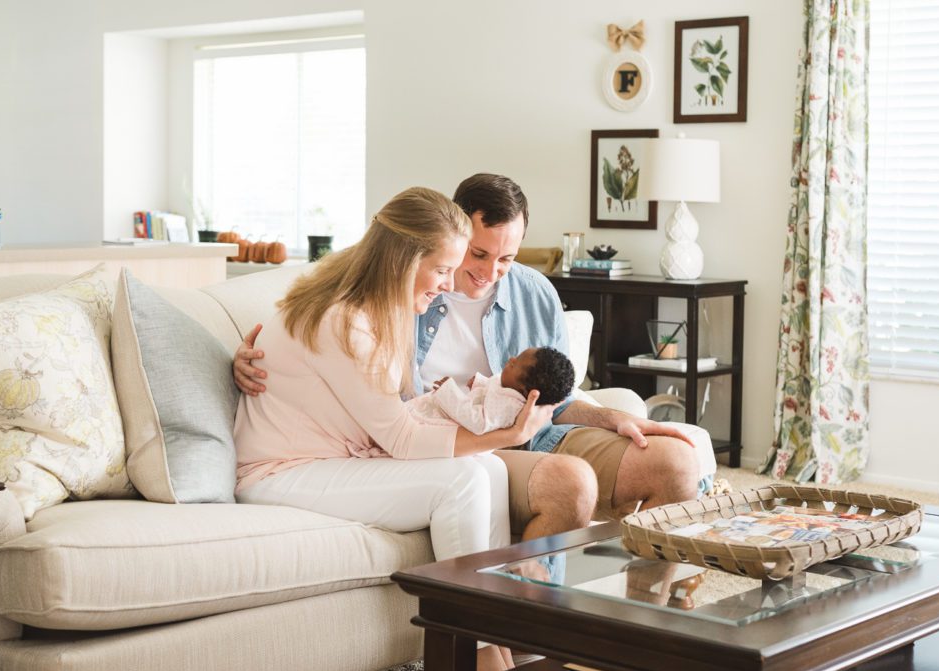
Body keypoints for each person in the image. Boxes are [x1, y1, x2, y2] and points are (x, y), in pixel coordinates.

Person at [235, 173, 698, 543]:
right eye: (477, 254)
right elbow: (312, 319)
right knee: (560, 481)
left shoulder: (534, 292)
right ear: (454, 233)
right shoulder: (395, 292)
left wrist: (610, 417)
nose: (489, 271)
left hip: (528, 434)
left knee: (676, 462)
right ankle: (516, 639)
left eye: (507, 259)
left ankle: (645, 629)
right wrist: (244, 356)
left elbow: (552, 395)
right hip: (450, 438)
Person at [233, 187, 555, 569]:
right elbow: (403, 437)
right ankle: (467, 619)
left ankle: (496, 609)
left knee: (491, 467)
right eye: (441, 270)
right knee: (464, 480)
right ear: (401, 261)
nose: (448, 286)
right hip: (282, 473)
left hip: (340, 459)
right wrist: (507, 435)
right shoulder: (342, 320)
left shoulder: (385, 308)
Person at [410, 346, 575, 435]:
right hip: (447, 414)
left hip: (450, 427)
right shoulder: (509, 388)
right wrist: (480, 383)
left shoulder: (510, 406)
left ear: (524, 389)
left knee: (413, 418)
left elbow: (478, 422)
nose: (511, 359)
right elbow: (493, 391)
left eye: (514, 364)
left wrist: (448, 392)